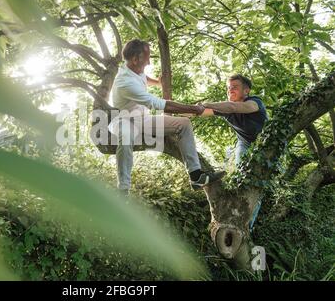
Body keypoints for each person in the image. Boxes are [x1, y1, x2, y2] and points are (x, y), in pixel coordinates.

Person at [109, 39, 224, 195]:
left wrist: (157, 82)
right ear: (135, 59)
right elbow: (161, 104)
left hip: (142, 119)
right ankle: (123, 189)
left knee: (184, 124)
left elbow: (143, 76)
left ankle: (196, 176)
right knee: (126, 135)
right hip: (123, 120)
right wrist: (194, 109)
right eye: (147, 57)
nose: (149, 62)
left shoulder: (134, 68)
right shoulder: (124, 83)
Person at [200, 74, 268, 230]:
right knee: (242, 179)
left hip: (265, 145)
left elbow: (233, 107)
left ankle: (247, 226)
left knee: (257, 185)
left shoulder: (255, 102)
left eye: (235, 87)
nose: (230, 90)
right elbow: (199, 112)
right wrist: (174, 109)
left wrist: (207, 104)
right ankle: (235, 216)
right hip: (244, 145)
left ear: (246, 91)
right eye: (228, 88)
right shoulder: (226, 109)